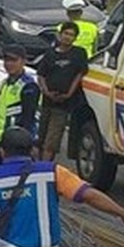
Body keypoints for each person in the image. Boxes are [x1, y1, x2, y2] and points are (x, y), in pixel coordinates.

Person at [37, 21, 90, 162]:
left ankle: (45, 168)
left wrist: (69, 94)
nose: (68, 37)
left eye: (71, 35)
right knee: (41, 138)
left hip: (63, 104)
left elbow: (79, 75)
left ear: (75, 38)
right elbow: (41, 75)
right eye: (66, 33)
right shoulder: (50, 54)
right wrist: (46, 91)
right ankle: (38, 166)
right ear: (60, 35)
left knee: (52, 141)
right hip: (47, 102)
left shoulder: (79, 54)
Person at [0, 45, 40, 160]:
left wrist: (30, 145)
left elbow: (29, 118)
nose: (9, 64)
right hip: (0, 141)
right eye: (6, 60)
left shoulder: (28, 86)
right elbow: (0, 115)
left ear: (23, 61)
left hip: (17, 145)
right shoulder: (5, 83)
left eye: (14, 60)